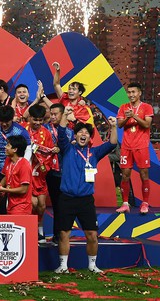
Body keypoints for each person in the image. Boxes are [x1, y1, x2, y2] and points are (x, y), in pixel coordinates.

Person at [54, 111, 118, 274]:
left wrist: (114, 126)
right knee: (64, 234)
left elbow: (112, 143)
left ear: (90, 138)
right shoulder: (67, 148)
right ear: (75, 135)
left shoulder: (94, 152)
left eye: (87, 133)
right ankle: (63, 266)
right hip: (66, 199)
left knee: (92, 234)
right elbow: (61, 132)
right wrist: (65, 115)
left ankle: (92, 265)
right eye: (80, 132)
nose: (84, 135)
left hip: (86, 200)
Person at [0, 106, 32, 214]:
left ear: (12, 119)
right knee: (0, 201)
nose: (4, 124)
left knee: (15, 198)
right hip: (0, 169)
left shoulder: (20, 131)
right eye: (2, 122)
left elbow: (29, 148)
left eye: (7, 122)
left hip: (15, 170)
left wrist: (21, 164)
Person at [116, 82, 154, 215]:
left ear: (139, 93)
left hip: (141, 146)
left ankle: (145, 203)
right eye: (129, 92)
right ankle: (125, 203)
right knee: (125, 175)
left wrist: (134, 116)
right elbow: (119, 125)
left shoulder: (147, 107)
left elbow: (147, 124)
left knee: (144, 174)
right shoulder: (123, 107)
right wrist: (127, 117)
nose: (131, 95)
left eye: (133, 92)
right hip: (127, 146)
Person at [24, 104, 55, 239]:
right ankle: (31, 231)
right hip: (25, 173)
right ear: (29, 118)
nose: (37, 123)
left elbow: (50, 153)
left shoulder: (46, 133)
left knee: (41, 205)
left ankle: (40, 228)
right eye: (35, 119)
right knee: (33, 203)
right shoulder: (22, 130)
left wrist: (44, 166)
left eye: (40, 120)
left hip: (40, 174)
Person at [44, 103, 70, 244]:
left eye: (55, 114)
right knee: (45, 204)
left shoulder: (69, 131)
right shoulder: (44, 129)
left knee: (60, 206)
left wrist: (61, 148)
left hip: (62, 173)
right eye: (51, 114)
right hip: (46, 171)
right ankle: (40, 235)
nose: (52, 116)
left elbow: (70, 149)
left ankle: (58, 236)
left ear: (62, 115)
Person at [0, 135, 32, 215]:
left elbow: (24, 189)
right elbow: (7, 176)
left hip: (22, 207)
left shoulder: (24, 165)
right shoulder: (8, 160)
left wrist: (5, 190)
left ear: (15, 149)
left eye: (8, 145)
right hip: (10, 204)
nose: (5, 147)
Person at [52, 62, 94, 127]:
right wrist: (58, 71)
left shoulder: (83, 108)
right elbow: (56, 84)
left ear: (80, 92)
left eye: (74, 89)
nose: (70, 91)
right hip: (57, 130)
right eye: (69, 89)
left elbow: (83, 128)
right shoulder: (63, 98)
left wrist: (73, 119)